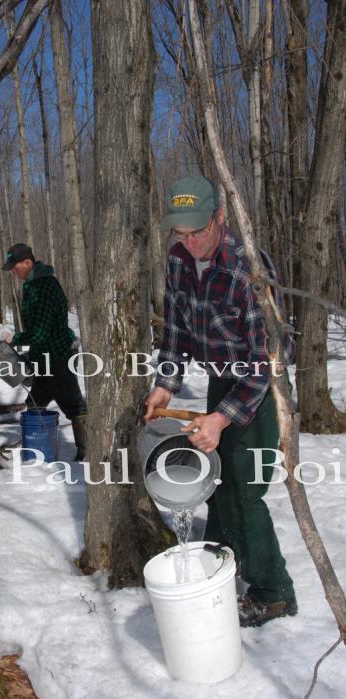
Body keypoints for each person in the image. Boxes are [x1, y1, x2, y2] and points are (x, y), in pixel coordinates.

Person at [144, 175, 297, 627]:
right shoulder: (177, 261)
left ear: (220, 218)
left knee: (245, 492)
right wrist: (165, 384)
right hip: (219, 384)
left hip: (260, 391)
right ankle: (220, 567)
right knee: (218, 484)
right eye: (181, 233)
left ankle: (274, 593)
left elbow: (271, 359)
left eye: (199, 231)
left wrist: (221, 419)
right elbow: (174, 330)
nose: (190, 242)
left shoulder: (247, 268)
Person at [1, 243, 87, 460]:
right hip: (43, 356)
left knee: (73, 406)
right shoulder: (31, 285)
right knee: (35, 402)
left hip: (58, 355)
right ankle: (36, 447)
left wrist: (16, 339)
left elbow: (40, 332)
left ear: (27, 262)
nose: (13, 271)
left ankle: (88, 451)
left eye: (15, 266)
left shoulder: (44, 286)